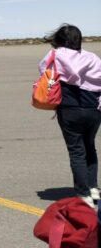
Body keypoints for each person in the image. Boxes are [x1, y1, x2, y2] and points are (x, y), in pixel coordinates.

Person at [39, 24, 101, 208]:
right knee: (90, 147)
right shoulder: (92, 57)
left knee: (76, 151)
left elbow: (43, 73)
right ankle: (93, 189)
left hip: (69, 108)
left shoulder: (55, 55)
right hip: (93, 109)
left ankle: (83, 195)